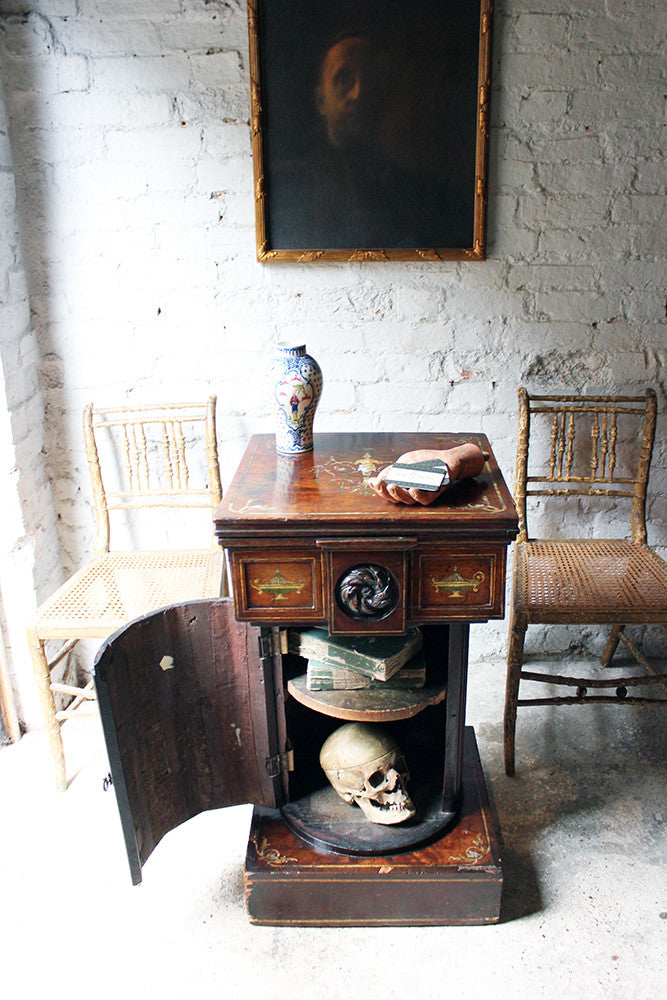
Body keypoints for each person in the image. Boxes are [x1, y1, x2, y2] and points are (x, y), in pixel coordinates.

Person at [269, 30, 473, 250]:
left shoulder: (419, 194)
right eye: (344, 80)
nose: (359, 93)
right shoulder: (289, 184)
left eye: (371, 79)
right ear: (321, 101)